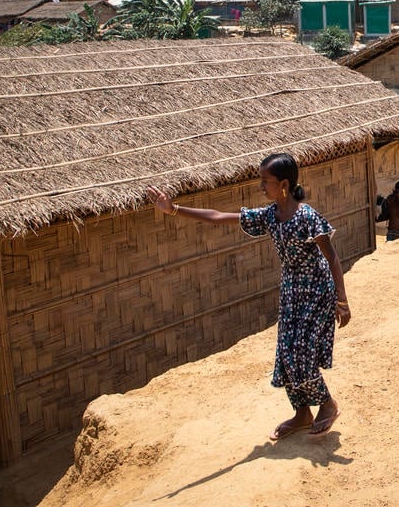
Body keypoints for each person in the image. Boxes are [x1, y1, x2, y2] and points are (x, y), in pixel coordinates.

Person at [145, 152, 349, 442]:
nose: (261, 187)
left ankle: (327, 404)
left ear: (284, 184)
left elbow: (333, 258)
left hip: (317, 291)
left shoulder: (307, 217)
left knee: (302, 353)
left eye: (266, 182)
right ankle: (302, 412)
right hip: (292, 291)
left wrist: (342, 301)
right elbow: (218, 218)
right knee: (286, 354)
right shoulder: (269, 216)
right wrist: (174, 209)